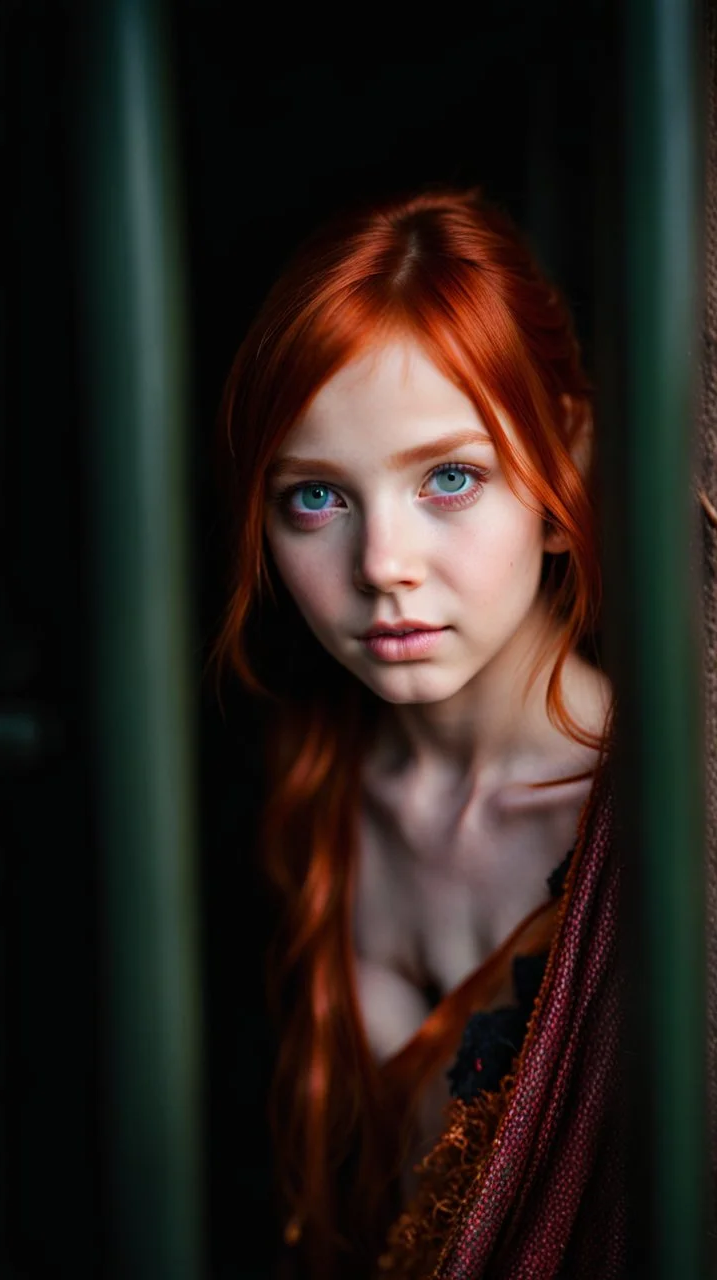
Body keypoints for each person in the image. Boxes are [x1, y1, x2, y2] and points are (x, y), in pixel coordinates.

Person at [211, 188, 626, 1278]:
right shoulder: (309, 786)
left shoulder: (654, 812)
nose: (382, 563)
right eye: (315, 498)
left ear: (560, 468)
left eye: (450, 476)